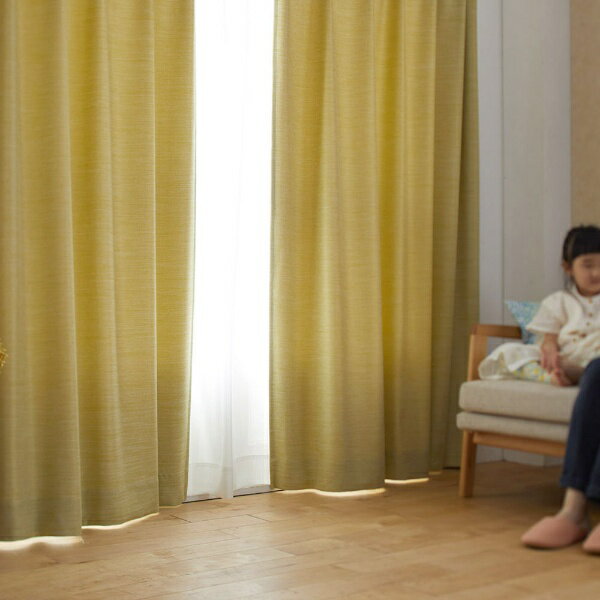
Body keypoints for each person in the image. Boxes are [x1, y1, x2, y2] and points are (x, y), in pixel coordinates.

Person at [497, 225, 600, 551]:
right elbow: (548, 339)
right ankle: (572, 512)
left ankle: (576, 511)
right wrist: (550, 350)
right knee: (594, 373)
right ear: (567, 267)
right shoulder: (560, 302)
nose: (597, 272)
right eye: (588, 264)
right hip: (584, 365)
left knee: (596, 370)